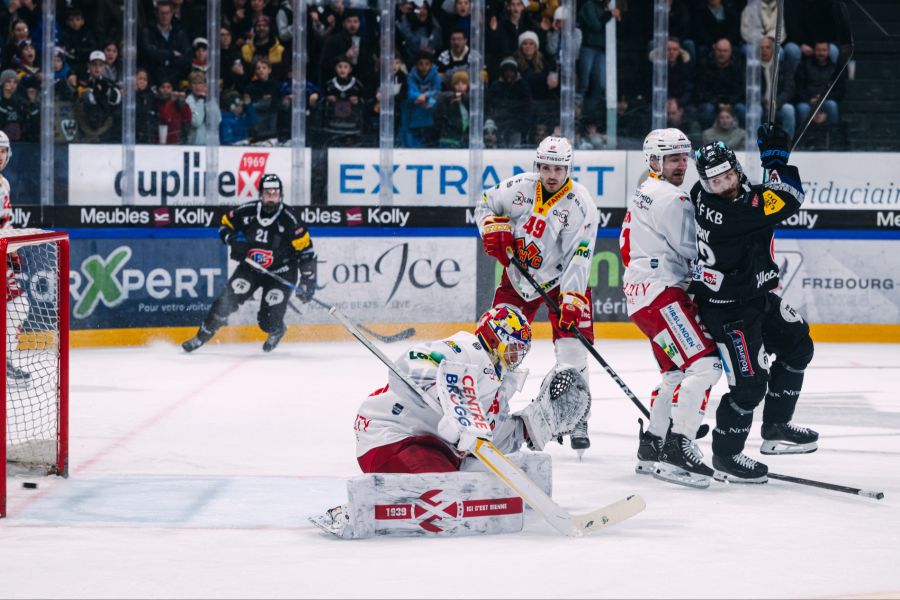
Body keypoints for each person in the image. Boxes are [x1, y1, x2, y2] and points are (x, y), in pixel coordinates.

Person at [318, 304, 589, 537]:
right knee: (446, 493)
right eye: (514, 348)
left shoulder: (500, 383)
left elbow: (486, 440)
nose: (516, 357)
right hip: (390, 434)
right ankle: (362, 508)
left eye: (521, 351)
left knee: (468, 487)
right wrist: (450, 401)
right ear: (494, 339)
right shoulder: (465, 350)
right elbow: (411, 362)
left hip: (431, 444)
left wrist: (528, 428)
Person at [689, 127, 818, 484]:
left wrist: (772, 165)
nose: (725, 185)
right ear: (705, 184)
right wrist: (776, 158)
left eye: (728, 176)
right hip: (728, 310)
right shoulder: (730, 214)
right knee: (749, 386)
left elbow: (761, 198)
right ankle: (726, 455)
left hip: (755, 298)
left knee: (798, 344)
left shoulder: (726, 196)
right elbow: (789, 198)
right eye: (715, 182)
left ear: (736, 170)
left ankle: (776, 426)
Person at [475, 136, 599, 455]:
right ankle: (490, 406)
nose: (552, 174)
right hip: (518, 279)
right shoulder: (519, 187)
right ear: (537, 165)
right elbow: (485, 202)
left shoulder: (581, 204)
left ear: (568, 168)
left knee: (573, 351)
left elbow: (579, 256)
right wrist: (491, 226)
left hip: (561, 281)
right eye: (546, 167)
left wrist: (571, 298)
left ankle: (578, 416)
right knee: (497, 344)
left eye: (558, 168)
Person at [619, 129, 722, 488]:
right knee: (706, 365)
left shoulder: (645, 190)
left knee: (676, 374)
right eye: (673, 158)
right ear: (653, 161)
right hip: (663, 295)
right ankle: (680, 446)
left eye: (684, 157)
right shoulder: (672, 199)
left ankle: (653, 444)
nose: (682, 164)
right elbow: (693, 250)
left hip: (642, 299)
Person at [182, 174, 317, 353]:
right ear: (261, 194)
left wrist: (308, 280)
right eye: (267, 193)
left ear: (281, 195)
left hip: (281, 273)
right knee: (225, 303)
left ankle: (277, 330)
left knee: (267, 321)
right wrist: (233, 240)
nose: (271, 197)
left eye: (275, 193)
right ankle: (200, 337)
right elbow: (224, 225)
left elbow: (306, 251)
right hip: (250, 269)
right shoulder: (247, 211)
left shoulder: (290, 219)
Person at [0, 131, 30, 386]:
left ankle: (4, 362)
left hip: (2, 255)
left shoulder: (4, 183)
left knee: (17, 306)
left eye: (2, 151)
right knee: (19, 304)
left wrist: (12, 252)